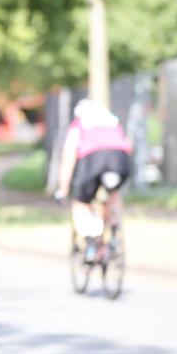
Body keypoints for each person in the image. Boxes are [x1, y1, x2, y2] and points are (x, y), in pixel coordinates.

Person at [55, 98, 133, 262]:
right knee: (113, 193)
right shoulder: (112, 122)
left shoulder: (78, 125)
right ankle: (113, 231)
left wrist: (63, 189)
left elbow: (68, 158)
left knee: (81, 202)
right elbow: (127, 145)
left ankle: (91, 242)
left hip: (93, 161)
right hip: (120, 160)